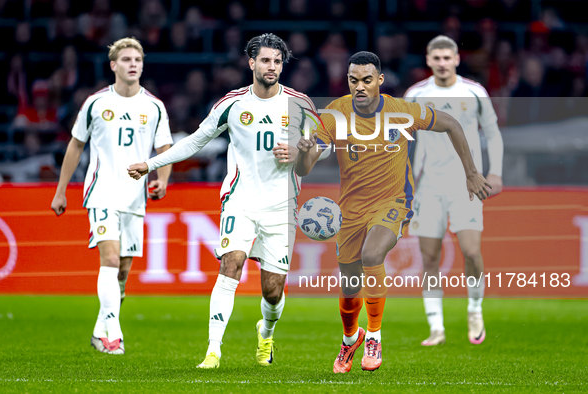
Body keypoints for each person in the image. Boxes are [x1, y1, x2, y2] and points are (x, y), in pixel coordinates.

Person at [127, 33, 329, 368]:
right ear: (251, 63)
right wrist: (151, 164)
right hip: (240, 200)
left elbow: (326, 147)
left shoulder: (300, 103)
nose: (272, 67)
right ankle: (213, 350)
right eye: (265, 60)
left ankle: (265, 332)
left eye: (277, 61)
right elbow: (194, 141)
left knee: (273, 292)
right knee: (230, 263)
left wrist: (302, 151)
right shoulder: (232, 104)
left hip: (281, 206)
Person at [295, 51, 491, 373]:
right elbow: (306, 165)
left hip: (393, 202)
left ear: (380, 81)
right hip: (350, 211)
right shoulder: (334, 115)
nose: (360, 86)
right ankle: (350, 339)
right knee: (349, 287)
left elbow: (452, 124)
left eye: (367, 80)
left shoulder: (402, 111)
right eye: (353, 80)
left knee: (373, 255)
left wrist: (470, 172)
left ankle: (374, 336)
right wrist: (303, 154)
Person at [51, 37, 173, 355]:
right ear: (114, 66)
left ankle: (98, 331)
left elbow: (164, 149)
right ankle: (114, 336)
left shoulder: (154, 106)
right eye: (127, 59)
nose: (134, 64)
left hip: (135, 197)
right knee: (109, 257)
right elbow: (76, 145)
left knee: (122, 270)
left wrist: (162, 178)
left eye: (138, 60)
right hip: (102, 190)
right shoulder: (96, 103)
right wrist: (61, 190)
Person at [404, 35, 504, 346]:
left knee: (472, 252)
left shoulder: (474, 92)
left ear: (457, 59)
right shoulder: (416, 94)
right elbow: (403, 143)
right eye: (438, 58)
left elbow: (493, 134)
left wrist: (495, 172)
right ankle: (436, 326)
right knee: (429, 257)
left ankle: (475, 309)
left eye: (448, 58)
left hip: (467, 185)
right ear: (429, 60)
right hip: (428, 185)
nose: (443, 63)